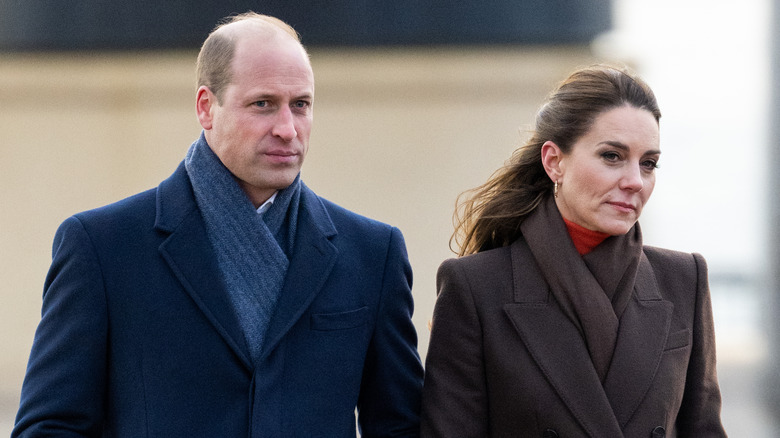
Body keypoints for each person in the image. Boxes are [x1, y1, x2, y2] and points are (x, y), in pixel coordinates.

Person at [13, 12, 423, 437]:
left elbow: (400, 426)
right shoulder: (102, 247)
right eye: (263, 104)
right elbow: (50, 426)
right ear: (206, 108)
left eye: (300, 105)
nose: (287, 129)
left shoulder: (374, 254)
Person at [420, 65, 726, 437]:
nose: (634, 181)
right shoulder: (476, 287)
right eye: (612, 156)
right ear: (554, 162)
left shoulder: (683, 280)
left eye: (648, 163)